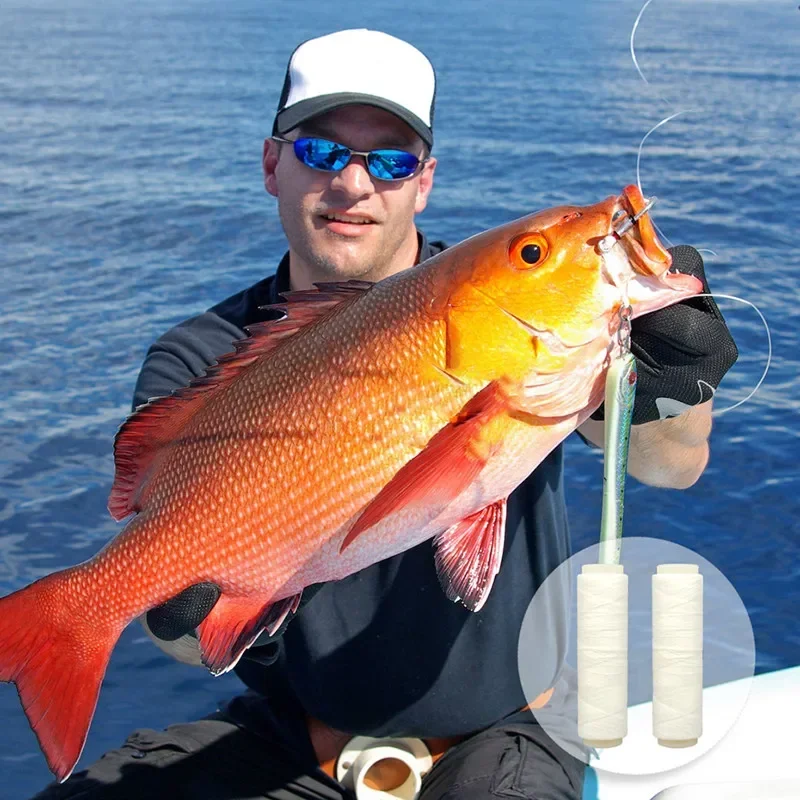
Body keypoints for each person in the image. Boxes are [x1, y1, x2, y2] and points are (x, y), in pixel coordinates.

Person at [34, 28, 737, 800]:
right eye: (324, 152)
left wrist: (673, 374)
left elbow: (672, 463)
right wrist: (166, 611)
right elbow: (181, 643)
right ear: (273, 164)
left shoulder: (535, 349)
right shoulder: (200, 359)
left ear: (424, 182)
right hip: (291, 740)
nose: (355, 184)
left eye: (392, 160)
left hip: (506, 737)